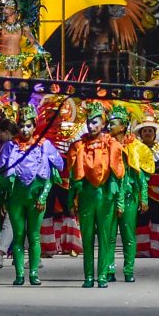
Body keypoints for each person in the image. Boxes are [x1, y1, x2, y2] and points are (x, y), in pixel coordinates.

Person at [0, 103, 64, 286]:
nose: (24, 129)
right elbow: (1, 176)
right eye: (21, 125)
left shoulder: (44, 145)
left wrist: (43, 197)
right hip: (16, 198)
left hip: (36, 199)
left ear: (34, 126)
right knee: (18, 236)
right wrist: (2, 199)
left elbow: (52, 175)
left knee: (33, 235)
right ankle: (19, 274)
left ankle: (33, 273)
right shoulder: (10, 147)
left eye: (28, 125)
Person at [68, 102, 125, 288]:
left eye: (95, 122)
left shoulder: (112, 145)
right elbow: (73, 176)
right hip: (86, 195)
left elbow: (118, 173)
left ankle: (101, 276)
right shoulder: (79, 146)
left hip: (105, 195)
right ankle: (88, 276)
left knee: (104, 236)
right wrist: (72, 198)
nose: (91, 126)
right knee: (87, 238)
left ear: (103, 124)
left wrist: (118, 199)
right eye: (89, 122)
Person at [108, 105, 152, 283]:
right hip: (110, 196)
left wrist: (144, 196)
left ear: (124, 125)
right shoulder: (105, 145)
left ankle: (128, 270)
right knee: (109, 235)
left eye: (114, 123)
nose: (110, 126)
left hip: (129, 196)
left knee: (128, 235)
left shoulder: (137, 147)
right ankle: (109, 270)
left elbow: (141, 174)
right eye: (109, 123)